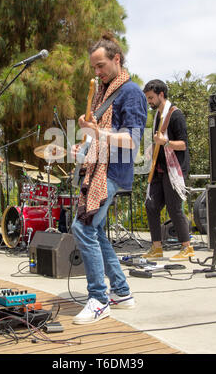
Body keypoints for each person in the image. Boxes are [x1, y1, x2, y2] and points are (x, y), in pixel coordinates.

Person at [71, 33, 147, 325]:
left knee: (83, 227)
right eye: (94, 67)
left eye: (101, 65)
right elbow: (102, 136)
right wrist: (86, 144)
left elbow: (131, 141)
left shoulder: (131, 93)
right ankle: (122, 292)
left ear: (117, 59)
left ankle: (100, 300)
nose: (97, 72)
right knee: (97, 231)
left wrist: (97, 134)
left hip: (113, 172)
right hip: (99, 167)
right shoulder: (104, 94)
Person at [143, 79, 194, 262]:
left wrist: (165, 143)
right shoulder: (158, 116)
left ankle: (187, 247)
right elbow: (158, 140)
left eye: (151, 97)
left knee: (174, 209)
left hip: (175, 169)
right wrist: (152, 148)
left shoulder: (175, 115)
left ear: (161, 95)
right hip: (159, 168)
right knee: (151, 205)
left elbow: (183, 145)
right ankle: (157, 247)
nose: (149, 101)